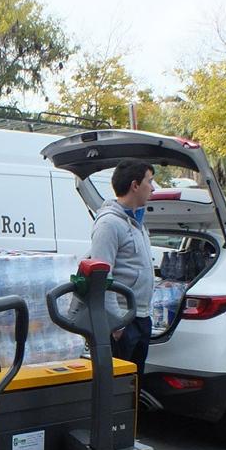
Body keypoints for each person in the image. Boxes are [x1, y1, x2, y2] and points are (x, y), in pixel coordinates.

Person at [88, 159, 155, 376]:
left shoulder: (137, 223)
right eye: (150, 181)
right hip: (122, 321)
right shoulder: (109, 223)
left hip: (141, 317)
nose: (153, 188)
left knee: (134, 385)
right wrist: (116, 324)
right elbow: (101, 276)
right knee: (118, 387)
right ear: (135, 185)